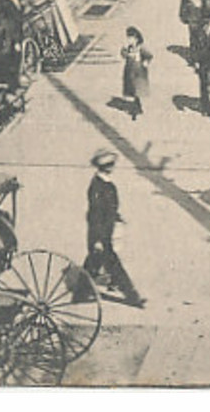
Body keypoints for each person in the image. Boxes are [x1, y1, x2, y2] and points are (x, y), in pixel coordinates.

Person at [84, 151, 144, 308]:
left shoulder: (104, 183)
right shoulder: (98, 186)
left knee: (92, 264)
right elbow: (96, 214)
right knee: (113, 264)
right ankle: (132, 297)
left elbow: (108, 208)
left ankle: (80, 293)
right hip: (101, 234)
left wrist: (116, 216)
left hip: (106, 231)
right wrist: (97, 240)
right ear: (105, 167)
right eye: (110, 165)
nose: (113, 167)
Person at [120, 26, 152, 121]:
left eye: (131, 38)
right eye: (128, 38)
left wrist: (145, 62)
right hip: (129, 70)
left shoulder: (141, 48)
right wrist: (124, 49)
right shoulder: (128, 48)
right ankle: (136, 107)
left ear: (137, 38)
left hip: (138, 71)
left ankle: (135, 110)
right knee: (131, 90)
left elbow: (149, 55)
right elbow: (123, 54)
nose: (129, 40)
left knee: (136, 90)